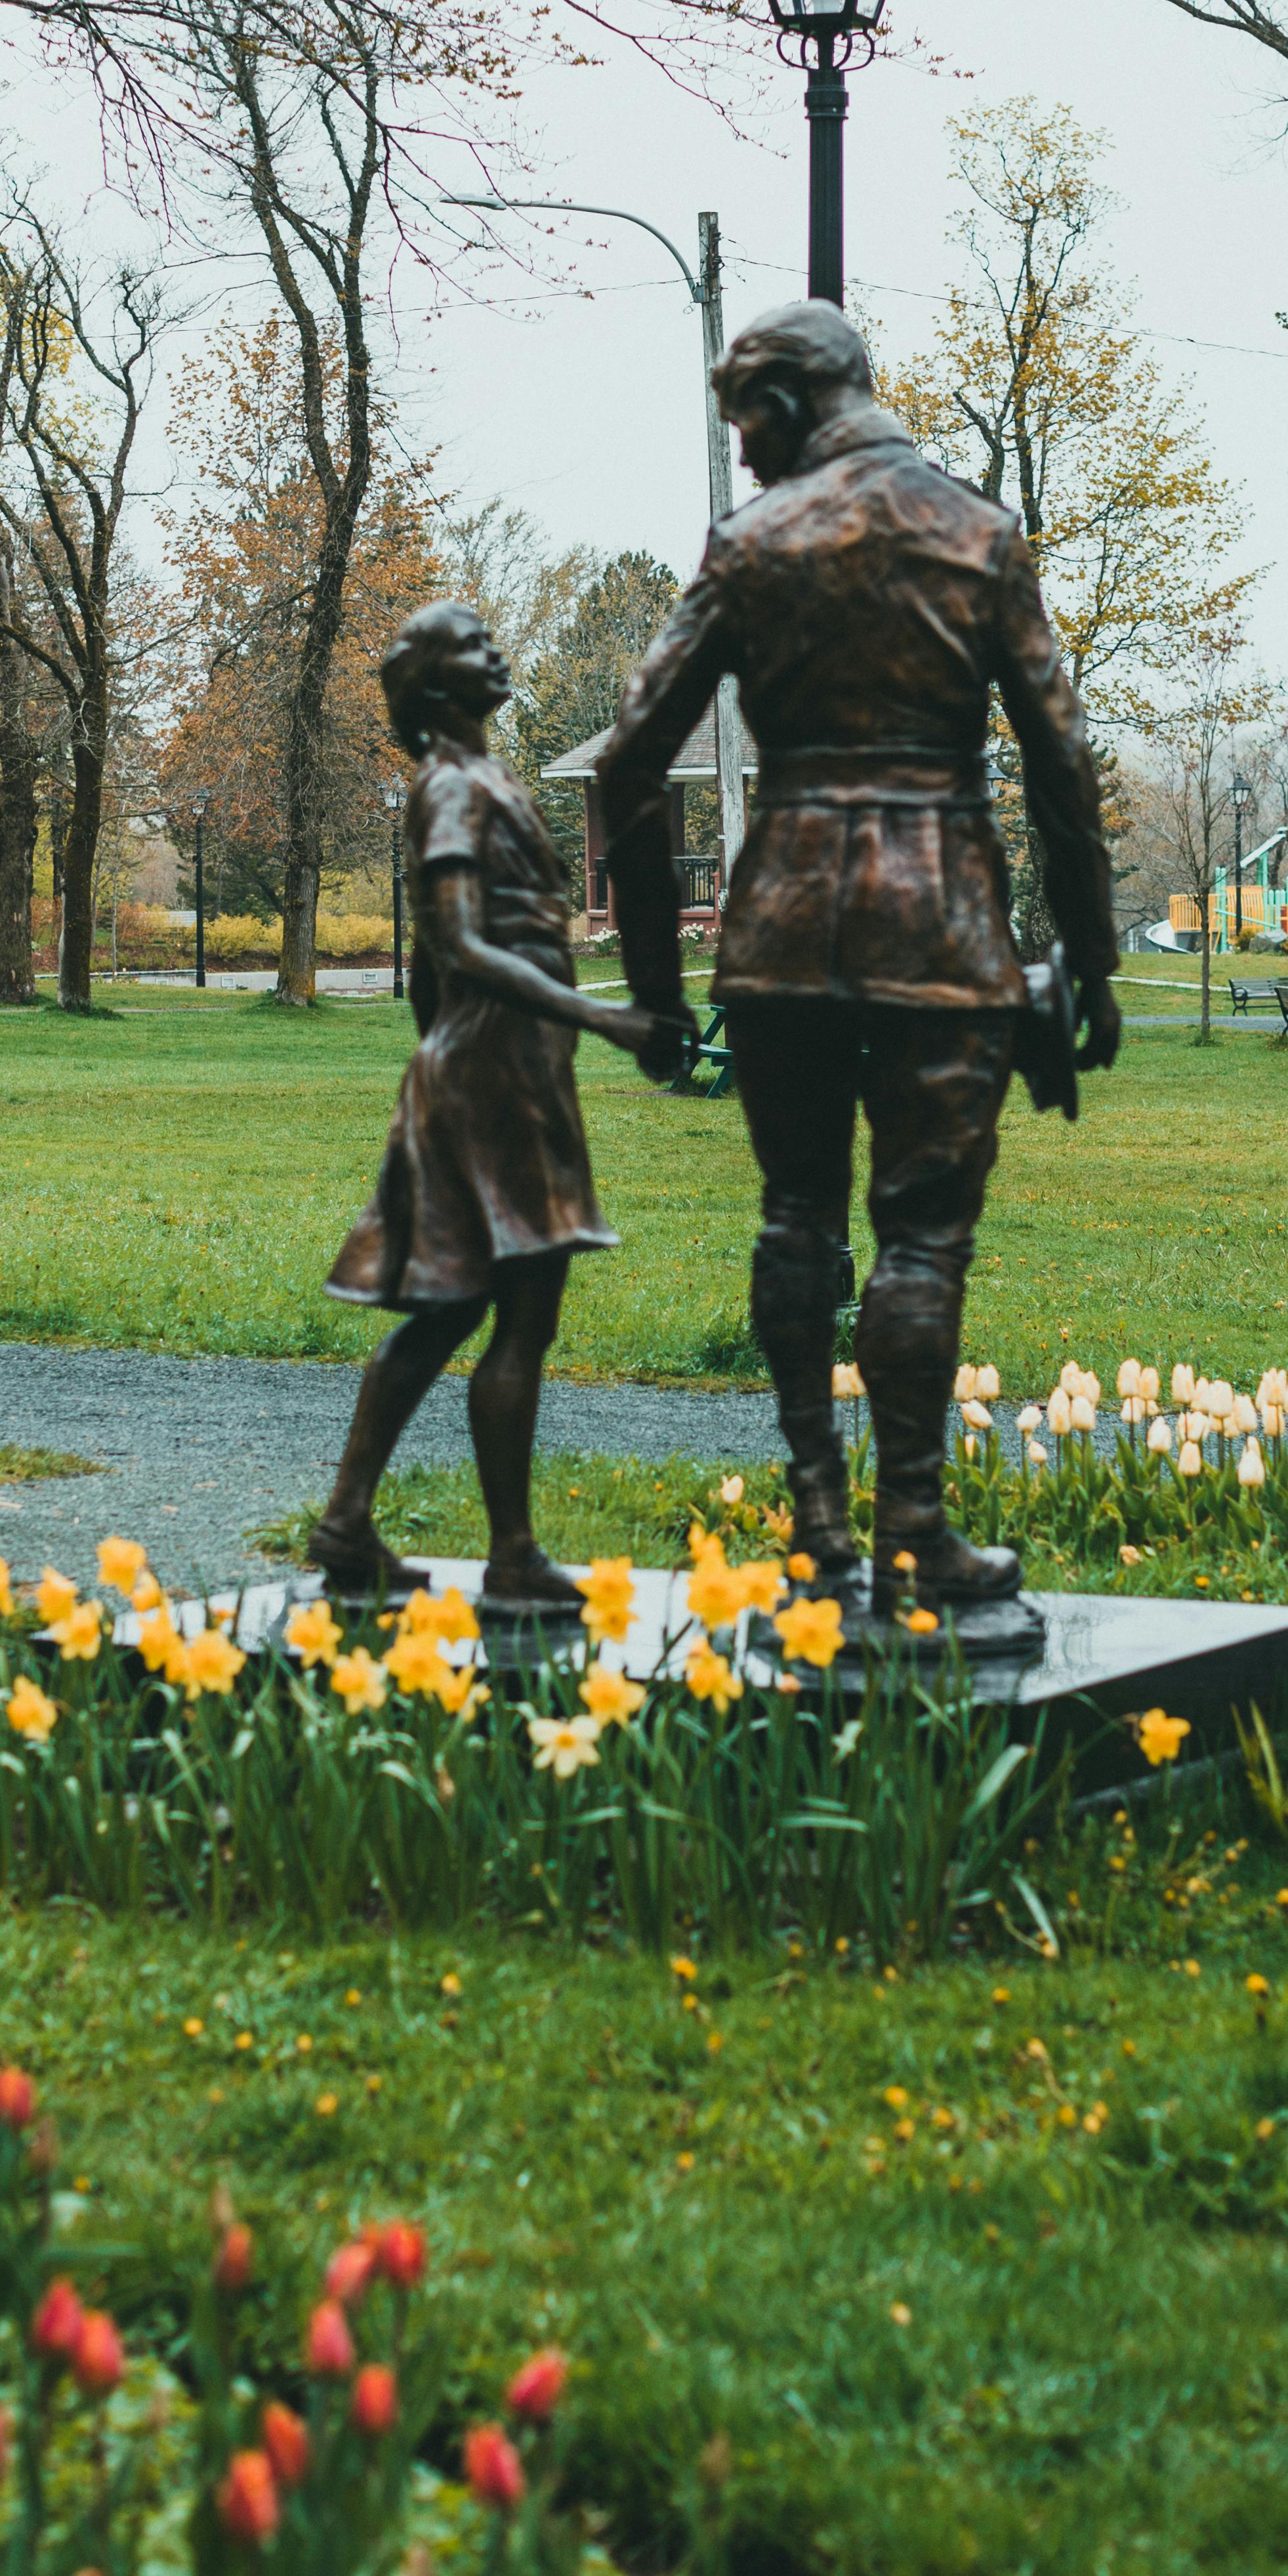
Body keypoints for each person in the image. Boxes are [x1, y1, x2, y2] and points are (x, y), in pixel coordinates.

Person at [598, 301, 1121, 1622]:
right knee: (922, 1234)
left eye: (747, 431)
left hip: (782, 918)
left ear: (784, 404)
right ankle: (913, 1528)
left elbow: (625, 762)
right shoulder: (976, 533)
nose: (750, 460)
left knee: (794, 1215)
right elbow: (1059, 764)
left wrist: (656, 995)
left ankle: (820, 1521)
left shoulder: (747, 546)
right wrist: (1087, 961)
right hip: (940, 918)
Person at [310, 599, 682, 1616]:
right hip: (494, 1072)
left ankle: (350, 1524)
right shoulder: (447, 790)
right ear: (435, 687)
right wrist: (602, 1023)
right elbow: (463, 946)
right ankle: (511, 1556)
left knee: (459, 1308)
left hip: (505, 1066)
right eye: (473, 647)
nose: (499, 651)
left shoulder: (480, 781)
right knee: (515, 1306)